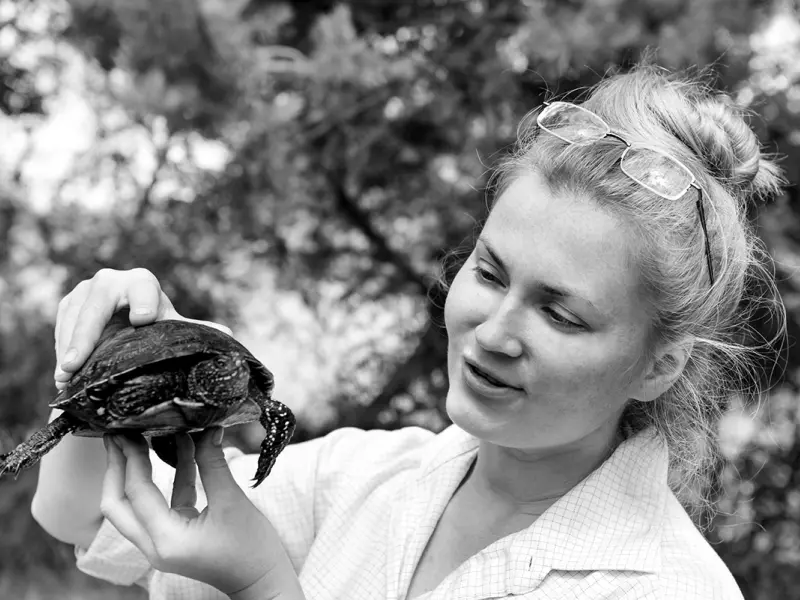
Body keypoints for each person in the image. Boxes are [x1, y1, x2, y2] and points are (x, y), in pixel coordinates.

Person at [31, 64, 785, 600]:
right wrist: (110, 359)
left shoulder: (667, 587)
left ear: (659, 365)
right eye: (490, 274)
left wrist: (262, 584)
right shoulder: (365, 481)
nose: (494, 332)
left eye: (559, 314)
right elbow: (82, 519)